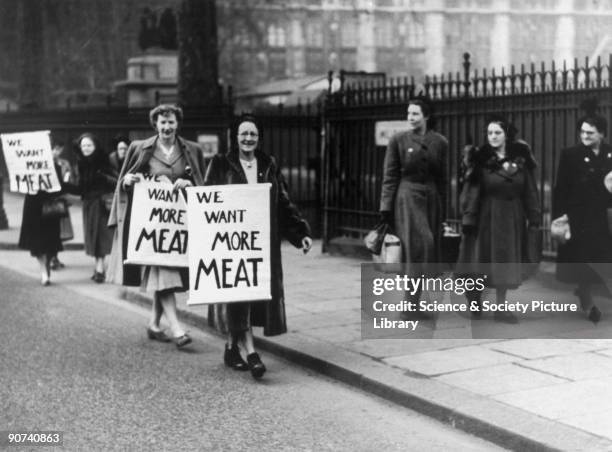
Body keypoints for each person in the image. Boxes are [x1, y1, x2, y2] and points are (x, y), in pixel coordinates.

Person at [205, 114, 312, 379]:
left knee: (252, 294)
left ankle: (231, 348)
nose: (248, 139)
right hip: (231, 243)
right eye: (243, 134)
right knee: (240, 294)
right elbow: (206, 199)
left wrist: (300, 234)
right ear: (235, 136)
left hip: (262, 242)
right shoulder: (220, 163)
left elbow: (282, 202)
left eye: (253, 134)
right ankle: (252, 353)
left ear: (259, 137)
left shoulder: (268, 164)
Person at [107, 104, 208, 348]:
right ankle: (177, 329)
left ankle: (153, 324)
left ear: (177, 124)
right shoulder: (140, 148)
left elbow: (203, 185)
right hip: (152, 226)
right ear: (156, 124)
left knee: (163, 272)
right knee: (164, 272)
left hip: (179, 226)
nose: (167, 127)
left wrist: (188, 184)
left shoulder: (192, 150)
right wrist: (128, 181)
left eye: (171, 122)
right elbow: (124, 181)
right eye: (162, 123)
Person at [457, 116, 540, 323]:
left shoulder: (520, 159)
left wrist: (534, 216)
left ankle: (501, 308)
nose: (492, 137)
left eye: (497, 133)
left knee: (506, 262)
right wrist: (469, 217)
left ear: (506, 135)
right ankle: (474, 298)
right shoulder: (481, 160)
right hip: (486, 217)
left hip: (512, 217)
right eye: (489, 133)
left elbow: (529, 190)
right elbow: (472, 191)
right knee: (481, 260)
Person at [379, 97, 448, 317]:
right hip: (407, 198)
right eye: (408, 113)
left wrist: (445, 207)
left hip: (432, 199)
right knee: (421, 245)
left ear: (426, 116)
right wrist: (385, 208)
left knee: (423, 249)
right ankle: (410, 304)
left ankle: (412, 304)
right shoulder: (398, 140)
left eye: (416, 113)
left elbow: (443, 178)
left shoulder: (440, 142)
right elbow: (390, 176)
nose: (411, 118)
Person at [552, 107, 612, 324]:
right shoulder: (570, 155)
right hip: (580, 217)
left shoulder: (610, 153)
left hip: (604, 218)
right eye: (583, 132)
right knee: (584, 260)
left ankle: (585, 291)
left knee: (602, 260)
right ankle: (587, 301)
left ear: (602, 134)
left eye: (591, 133)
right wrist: (559, 218)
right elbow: (561, 189)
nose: (585, 136)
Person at [65, 133, 117, 283]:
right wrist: (64, 187)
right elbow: (81, 188)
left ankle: (100, 268)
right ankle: (98, 266)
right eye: (83, 146)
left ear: (95, 146)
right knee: (92, 236)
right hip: (88, 204)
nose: (86, 148)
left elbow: (116, 180)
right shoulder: (81, 164)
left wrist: (104, 178)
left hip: (101, 204)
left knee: (99, 236)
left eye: (89, 145)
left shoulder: (104, 161)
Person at [18, 158, 65, 286]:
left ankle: (47, 264)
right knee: (36, 242)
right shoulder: (24, 164)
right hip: (32, 206)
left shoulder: (55, 166)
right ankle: (44, 271)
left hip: (49, 206)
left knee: (49, 240)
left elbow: (60, 186)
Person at [49, 139, 73, 270]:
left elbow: (69, 179)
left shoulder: (65, 163)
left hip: (61, 199)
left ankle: (55, 257)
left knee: (60, 230)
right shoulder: (45, 163)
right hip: (49, 201)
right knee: (50, 230)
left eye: (59, 149)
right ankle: (51, 257)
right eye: (55, 149)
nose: (57, 152)